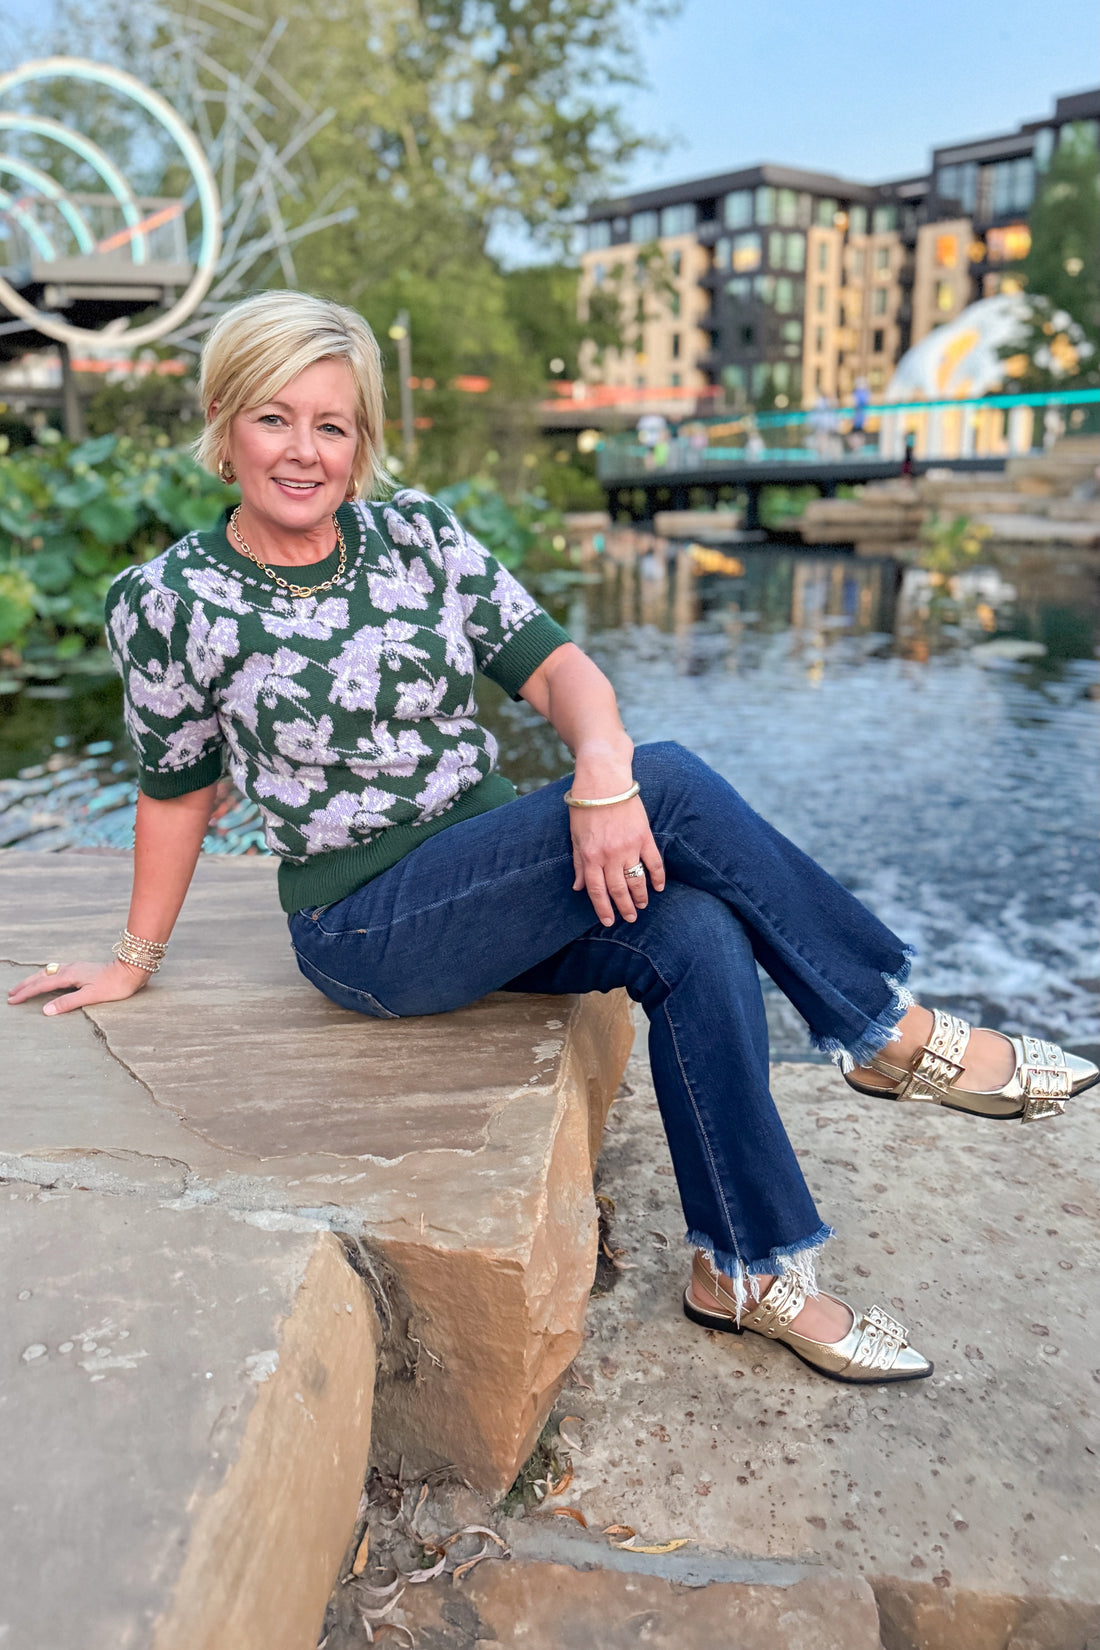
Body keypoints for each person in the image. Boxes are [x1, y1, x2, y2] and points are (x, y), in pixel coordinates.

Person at [9, 292, 1095, 1386]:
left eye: (332, 426)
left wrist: (598, 768)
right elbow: (176, 790)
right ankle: (880, 1029)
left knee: (693, 923)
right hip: (371, 926)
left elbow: (558, 671)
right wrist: (134, 959)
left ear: (363, 439)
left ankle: (743, 1269)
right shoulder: (168, 600)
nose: (305, 452)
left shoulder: (416, 536)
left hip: (498, 882)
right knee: (666, 782)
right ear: (222, 419)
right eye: (274, 419)